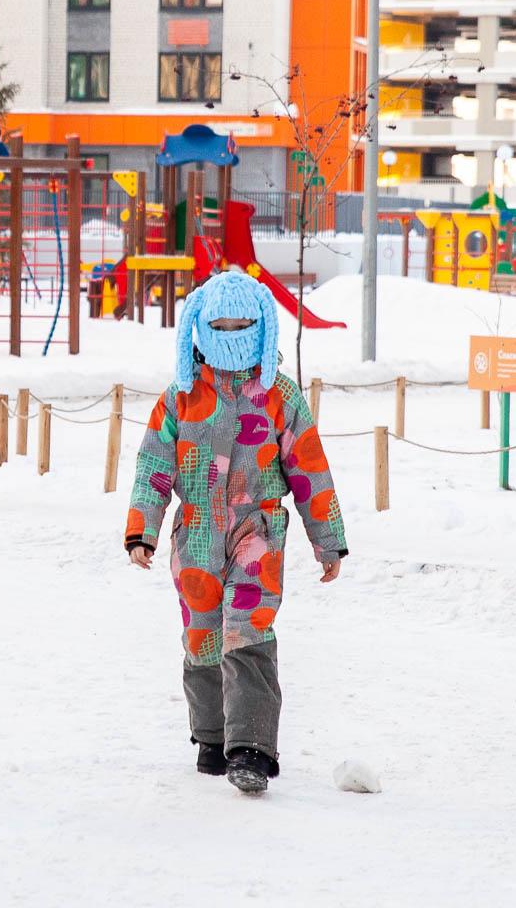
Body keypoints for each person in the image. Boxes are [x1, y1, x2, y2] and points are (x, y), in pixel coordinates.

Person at [123, 269, 348, 795]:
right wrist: (143, 530)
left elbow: (310, 469)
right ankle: (212, 737)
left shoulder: (279, 397)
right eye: (218, 326)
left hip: (257, 532)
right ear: (199, 328)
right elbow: (153, 464)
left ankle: (251, 747)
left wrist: (327, 539)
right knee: (202, 636)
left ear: (263, 327)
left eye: (241, 326)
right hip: (196, 532)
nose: (230, 336)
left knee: (247, 630)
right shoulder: (180, 398)